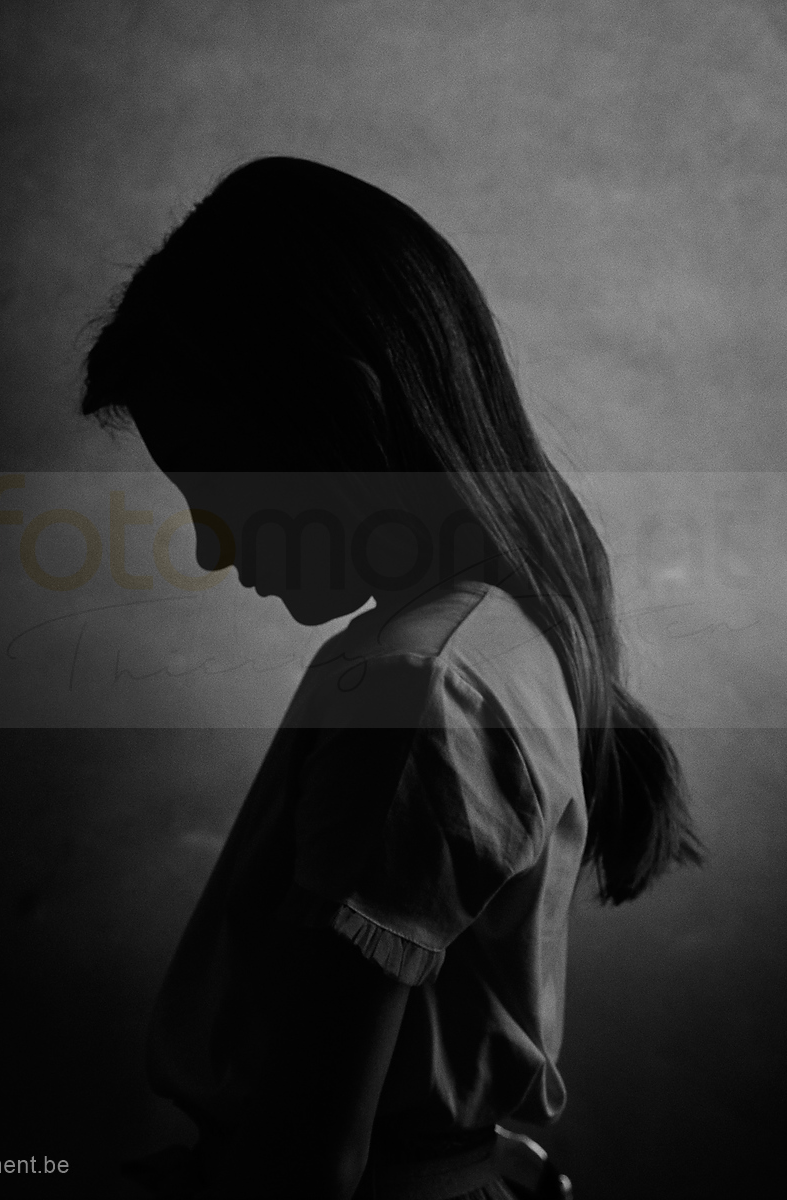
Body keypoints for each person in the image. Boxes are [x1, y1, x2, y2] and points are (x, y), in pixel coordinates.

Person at [80, 155, 704, 1200]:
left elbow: (306, 1161)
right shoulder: (491, 643)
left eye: (215, 484)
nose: (209, 547)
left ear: (343, 413)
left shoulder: (417, 687)